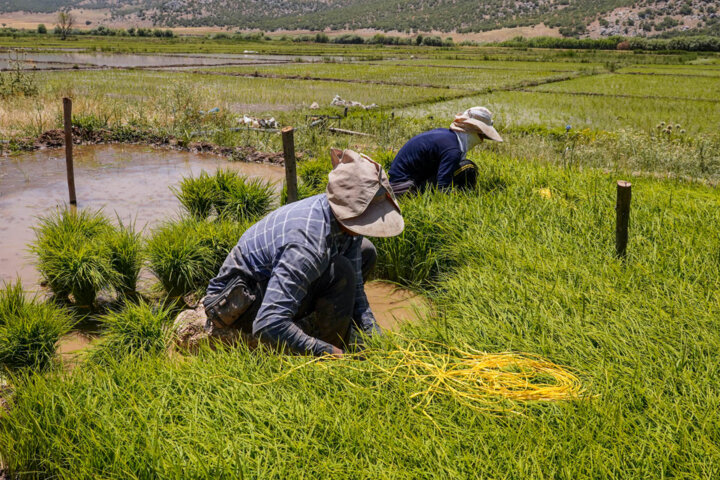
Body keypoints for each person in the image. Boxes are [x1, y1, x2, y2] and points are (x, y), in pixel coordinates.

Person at [202, 148, 404, 357]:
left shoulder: (347, 222)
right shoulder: (308, 243)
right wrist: (326, 351)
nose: (368, 223)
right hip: (235, 303)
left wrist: (375, 337)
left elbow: (358, 291)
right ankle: (331, 355)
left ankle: (335, 331)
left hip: (270, 279)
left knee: (366, 252)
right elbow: (268, 323)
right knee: (341, 272)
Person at [388, 106, 503, 196]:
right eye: (481, 135)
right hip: (406, 189)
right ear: (472, 131)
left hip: (398, 185)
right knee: (468, 167)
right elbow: (443, 185)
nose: (482, 140)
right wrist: (445, 200)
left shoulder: (446, 137)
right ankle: (467, 196)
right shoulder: (453, 150)